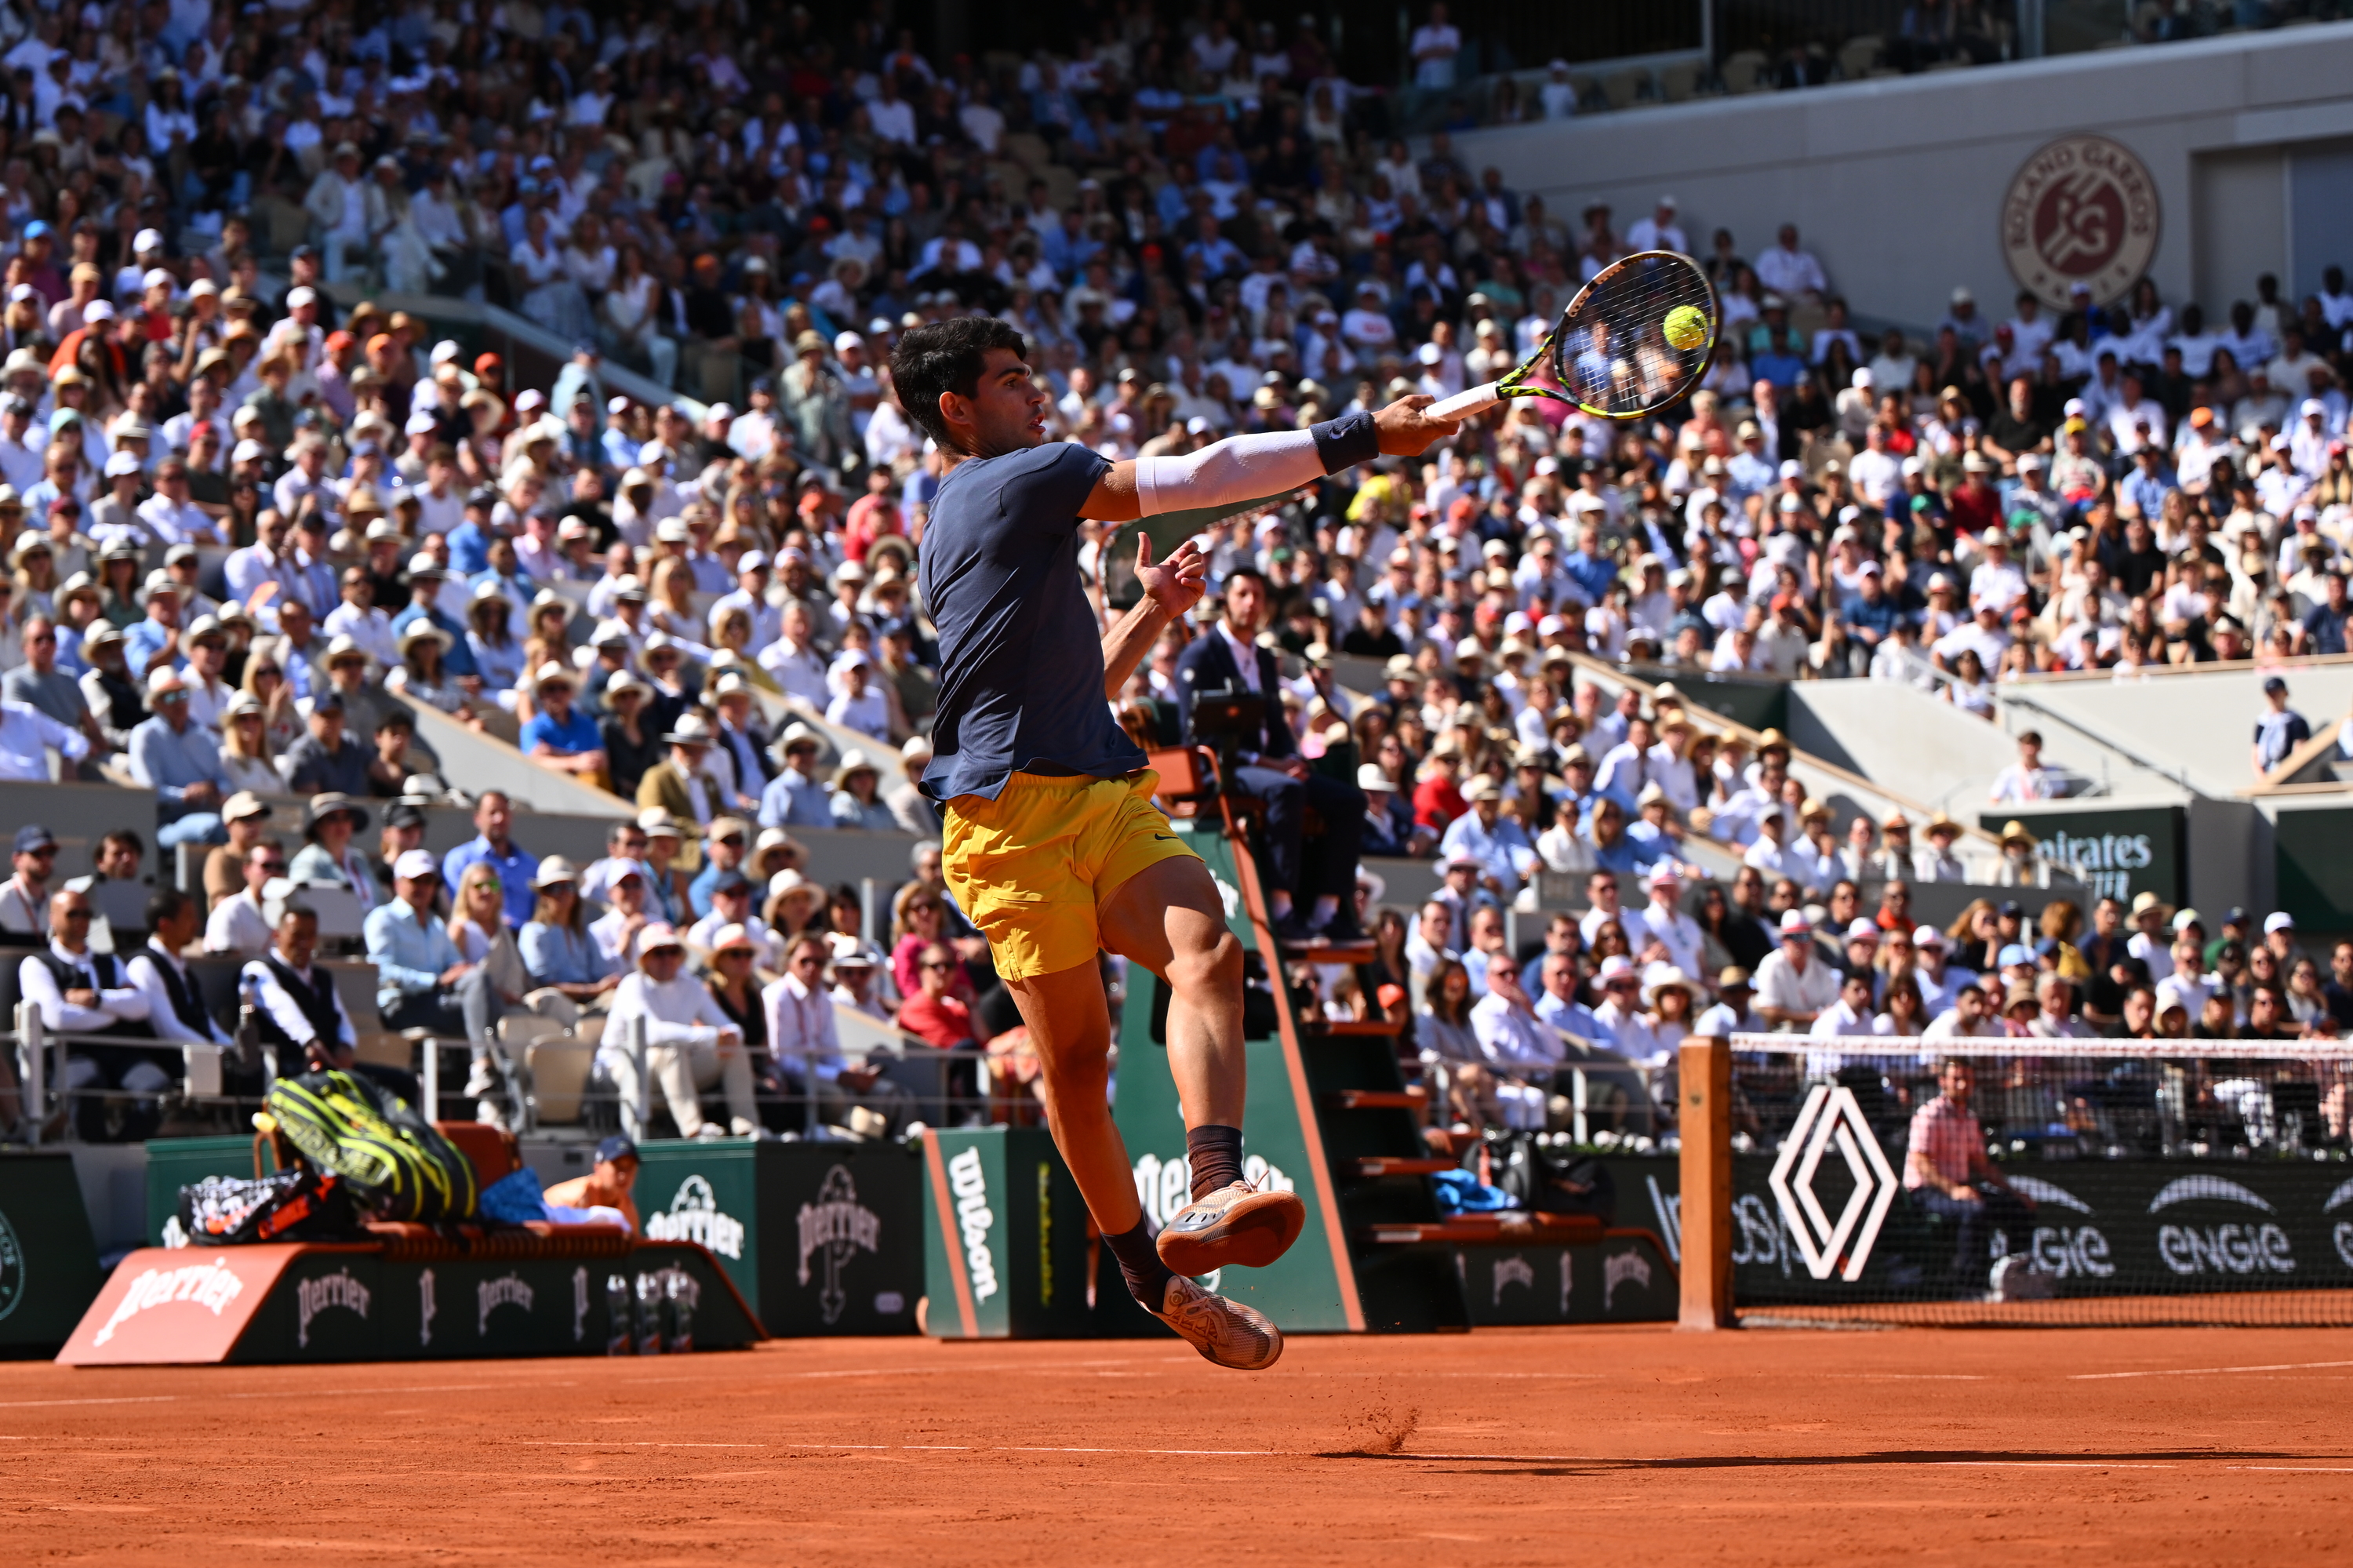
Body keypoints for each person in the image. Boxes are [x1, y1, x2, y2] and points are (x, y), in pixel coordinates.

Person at [896, 313, 1449, 1365]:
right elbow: (1204, 470)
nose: (1038, 395)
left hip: (1098, 795)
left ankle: (1210, 1186)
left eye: (1033, 376)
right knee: (1074, 1066)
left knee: (1210, 950)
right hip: (1003, 826)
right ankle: (1157, 1282)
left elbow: (1073, 693)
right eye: (1013, 382)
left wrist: (1148, 613)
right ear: (959, 411)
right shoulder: (1020, 477)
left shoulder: (997, 513)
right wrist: (1363, 435)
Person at [1174, 567, 1367, 940]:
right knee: (1286, 790)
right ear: (1225, 601)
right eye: (1242, 594)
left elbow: (1276, 724)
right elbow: (1196, 736)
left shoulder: (1263, 658)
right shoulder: (1200, 656)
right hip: (1224, 769)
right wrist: (1271, 766)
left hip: (1270, 767)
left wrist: (1290, 759)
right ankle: (1282, 908)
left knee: (1349, 801)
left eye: (1258, 596)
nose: (1250, 603)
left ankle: (1327, 913)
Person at [20, 886, 165, 1140]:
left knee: (158, 1088)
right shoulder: (37, 965)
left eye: (87, 914)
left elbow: (141, 1006)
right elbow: (57, 1017)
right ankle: (94, 1151)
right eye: (73, 913)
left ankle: (121, 1150)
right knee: (84, 1084)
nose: (82, 920)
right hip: (72, 1054)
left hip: (121, 1052)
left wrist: (97, 1000)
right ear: (52, 918)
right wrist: (117, 1011)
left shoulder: (111, 962)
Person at [244, 900, 420, 1104]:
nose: (304, 943)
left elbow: (341, 1018)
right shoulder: (258, 970)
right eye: (297, 935)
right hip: (289, 1065)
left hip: (330, 1065)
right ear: (277, 936)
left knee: (404, 1082)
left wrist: (345, 1047)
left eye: (310, 936)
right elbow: (282, 1008)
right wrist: (311, 1042)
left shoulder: (322, 977)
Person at [598, 921, 761, 1141]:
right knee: (671, 1051)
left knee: (736, 1051)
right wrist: (712, 1037)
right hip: (622, 1067)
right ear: (644, 959)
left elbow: (730, 1027)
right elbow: (652, 1033)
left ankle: (747, 1128)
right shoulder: (632, 985)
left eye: (672, 952)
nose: (667, 959)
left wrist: (731, 1038)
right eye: (659, 953)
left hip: (674, 1064)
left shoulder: (691, 986)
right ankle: (693, 1130)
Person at [1903, 1057, 2037, 1289]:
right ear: (1943, 1082)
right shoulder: (1929, 1115)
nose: (1963, 1085)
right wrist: (1954, 1190)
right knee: (1974, 1211)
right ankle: (1969, 1285)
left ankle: (2015, 1275)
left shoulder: (1970, 1118)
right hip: (1926, 1192)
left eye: (1967, 1079)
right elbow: (1921, 1162)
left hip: (1961, 1188)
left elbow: (1982, 1165)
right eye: (1957, 1079)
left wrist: (2015, 1193)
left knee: (2017, 1208)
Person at [364, 849, 500, 1048]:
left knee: (482, 987)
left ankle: (484, 1066)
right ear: (397, 884)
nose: (423, 887)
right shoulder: (383, 918)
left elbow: (454, 962)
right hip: (401, 1004)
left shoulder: (435, 923)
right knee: (486, 1008)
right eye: (415, 880)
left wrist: (467, 973)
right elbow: (381, 971)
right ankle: (487, 1065)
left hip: (436, 1000)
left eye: (428, 881)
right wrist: (434, 981)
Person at [125, 888, 232, 1054]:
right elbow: (168, 1030)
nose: (197, 924)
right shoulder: (144, 966)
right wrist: (214, 1053)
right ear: (165, 925)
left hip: (202, 1057)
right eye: (189, 917)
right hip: (167, 1063)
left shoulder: (183, 968)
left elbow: (204, 1018)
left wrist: (230, 1048)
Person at [441, 790, 538, 930]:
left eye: (504, 812)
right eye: (492, 813)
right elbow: (461, 909)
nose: (499, 819)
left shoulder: (529, 864)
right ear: (477, 818)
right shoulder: (460, 860)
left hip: (523, 943)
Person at [1754, 909, 1840, 1029]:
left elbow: (1834, 1009)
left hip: (1815, 1039)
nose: (1800, 942)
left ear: (1811, 940)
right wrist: (1813, 1017)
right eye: (1794, 937)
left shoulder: (1822, 970)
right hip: (1777, 1040)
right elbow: (1769, 1013)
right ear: (1783, 940)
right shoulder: (1771, 964)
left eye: (1805, 936)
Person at [542, 1133, 642, 1234]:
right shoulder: (571, 1199)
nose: (623, 1175)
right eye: (618, 1167)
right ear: (598, 1168)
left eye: (629, 1168)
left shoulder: (629, 1209)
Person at [0, 823, 60, 939]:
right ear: (17, 860)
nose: (45, 859)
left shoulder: (53, 901)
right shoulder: (3, 898)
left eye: (50, 853)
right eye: (36, 853)